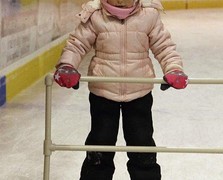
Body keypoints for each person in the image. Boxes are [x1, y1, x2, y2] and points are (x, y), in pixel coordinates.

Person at [53, 0, 188, 179]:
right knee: (100, 144)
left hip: (138, 91)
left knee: (141, 143)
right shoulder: (95, 14)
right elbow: (77, 44)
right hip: (103, 91)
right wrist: (67, 65)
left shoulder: (149, 14)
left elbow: (164, 46)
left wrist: (173, 68)